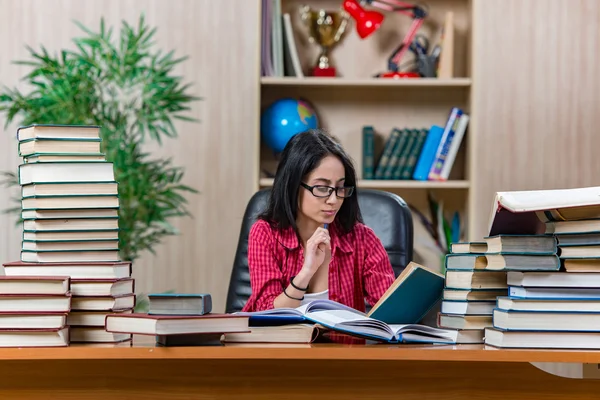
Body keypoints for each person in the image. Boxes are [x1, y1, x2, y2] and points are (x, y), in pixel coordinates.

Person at [242, 129, 396, 313]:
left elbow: (391, 310)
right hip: (282, 342)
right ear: (293, 185)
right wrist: (306, 273)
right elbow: (265, 313)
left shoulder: (362, 239)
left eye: (340, 187)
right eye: (322, 188)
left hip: (343, 343)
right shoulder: (265, 234)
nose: (333, 200)